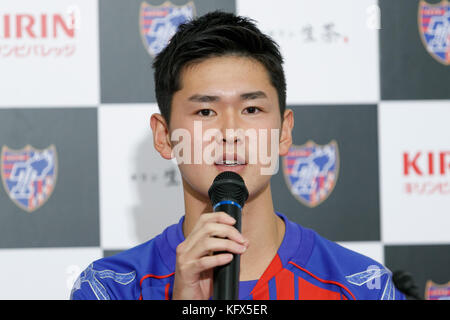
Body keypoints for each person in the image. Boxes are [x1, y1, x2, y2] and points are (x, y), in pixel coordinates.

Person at [71, 11, 404, 300]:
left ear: (284, 133)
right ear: (164, 136)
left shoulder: (362, 287)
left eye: (251, 108)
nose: (231, 131)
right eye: (205, 112)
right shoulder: (108, 288)